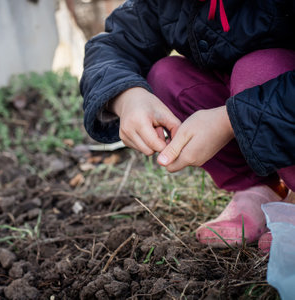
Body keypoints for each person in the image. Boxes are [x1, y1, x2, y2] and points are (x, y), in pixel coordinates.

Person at [80, 0, 295, 250]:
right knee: (165, 77)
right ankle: (260, 188)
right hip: (241, 97)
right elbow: (115, 43)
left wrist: (228, 121)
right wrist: (126, 97)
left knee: (257, 71)